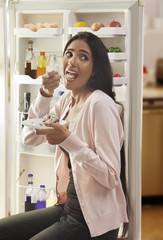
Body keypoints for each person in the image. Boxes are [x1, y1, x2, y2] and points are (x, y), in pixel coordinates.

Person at [0, 31, 129, 240]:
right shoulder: (67, 100)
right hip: (67, 208)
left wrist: (68, 140)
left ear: (95, 69)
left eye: (83, 57)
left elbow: (111, 176)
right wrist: (45, 95)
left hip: (91, 221)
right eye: (68, 54)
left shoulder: (100, 105)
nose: (72, 61)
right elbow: (29, 138)